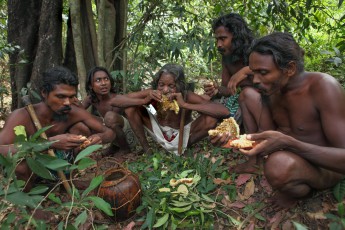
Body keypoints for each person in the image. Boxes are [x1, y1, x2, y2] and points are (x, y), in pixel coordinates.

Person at [236, 32, 345, 208]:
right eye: (253, 72)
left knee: (278, 166)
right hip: (294, 156)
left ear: (290, 69)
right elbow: (265, 138)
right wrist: (232, 139)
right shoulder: (272, 90)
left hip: (326, 167)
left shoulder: (323, 86)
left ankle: (304, 193)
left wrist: (290, 143)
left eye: (263, 72)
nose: (255, 80)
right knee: (247, 95)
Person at [0, 66, 115, 190]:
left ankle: (69, 180)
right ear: (44, 93)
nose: (67, 102)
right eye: (61, 97)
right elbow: (2, 150)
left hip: (58, 165)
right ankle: (28, 202)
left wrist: (99, 137)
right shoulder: (21, 116)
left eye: (71, 97)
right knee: (20, 164)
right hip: (30, 172)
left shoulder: (73, 112)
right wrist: (49, 143)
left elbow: (110, 132)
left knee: (80, 129)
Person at [109, 64, 231, 155]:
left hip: (182, 135)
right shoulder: (153, 93)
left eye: (171, 86)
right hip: (158, 129)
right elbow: (114, 101)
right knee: (131, 107)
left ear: (179, 85)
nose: (165, 90)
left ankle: (183, 148)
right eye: (161, 85)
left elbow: (224, 111)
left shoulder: (186, 95)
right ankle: (147, 150)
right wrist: (144, 101)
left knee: (210, 119)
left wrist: (186, 105)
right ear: (157, 84)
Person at [205, 13, 274, 172]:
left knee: (247, 93)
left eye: (223, 38)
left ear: (236, 37)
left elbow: (272, 73)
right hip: (246, 105)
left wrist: (245, 71)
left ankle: (264, 150)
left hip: (270, 102)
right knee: (243, 96)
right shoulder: (227, 58)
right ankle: (253, 155)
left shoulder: (256, 50)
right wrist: (216, 90)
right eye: (217, 39)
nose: (219, 44)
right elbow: (228, 90)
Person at [81, 66, 137, 155]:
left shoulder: (116, 99)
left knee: (110, 117)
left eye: (106, 79)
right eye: (98, 80)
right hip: (113, 135)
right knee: (84, 118)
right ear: (90, 85)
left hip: (129, 137)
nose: (103, 83)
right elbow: (78, 112)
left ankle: (125, 149)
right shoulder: (91, 99)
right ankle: (115, 146)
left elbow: (139, 97)